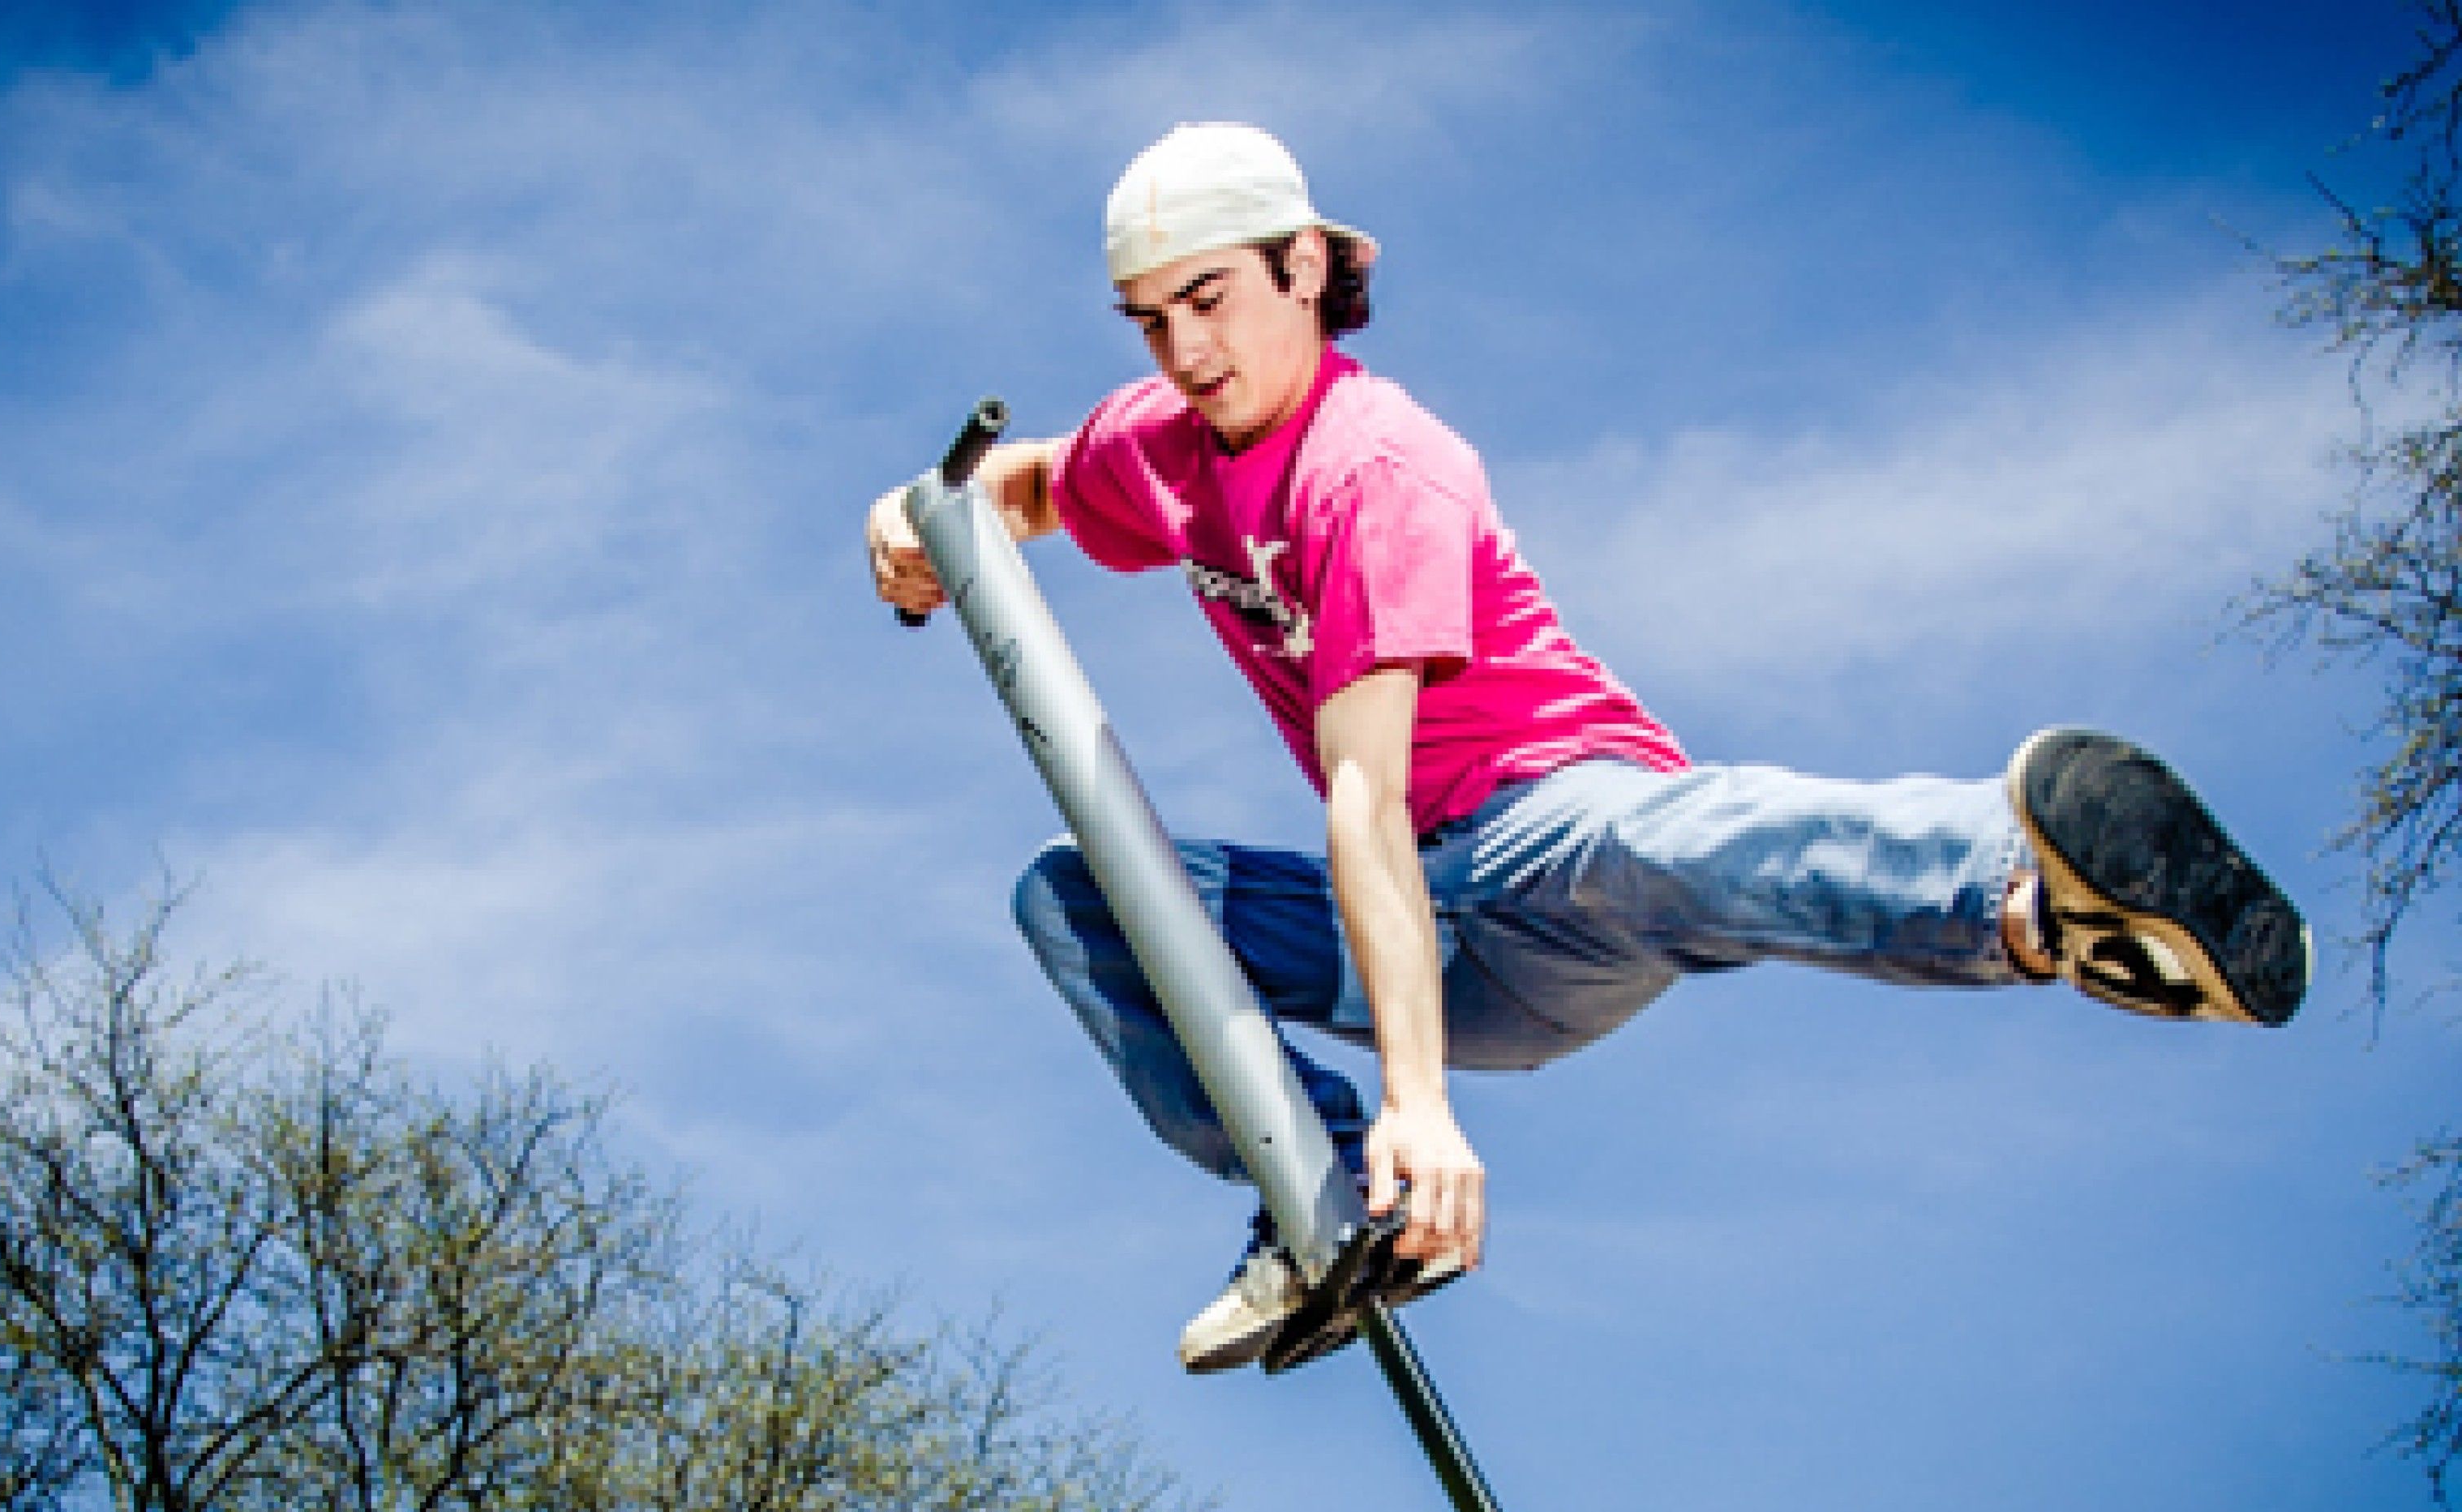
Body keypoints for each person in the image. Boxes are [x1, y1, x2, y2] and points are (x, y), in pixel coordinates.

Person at [864, 122, 2310, 1375]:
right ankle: (1320, 1210)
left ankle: (2031, 897)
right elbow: (1042, 479)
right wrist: (925, 513)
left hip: (1543, 848)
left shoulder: (1378, 468)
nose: (1186, 353)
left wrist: (1422, 1108)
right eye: (1146, 320)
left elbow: (1364, 799)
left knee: (1649, 839)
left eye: (1209, 301)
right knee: (1078, 888)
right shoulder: (1165, 438)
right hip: (1425, 926)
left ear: (1302, 266)